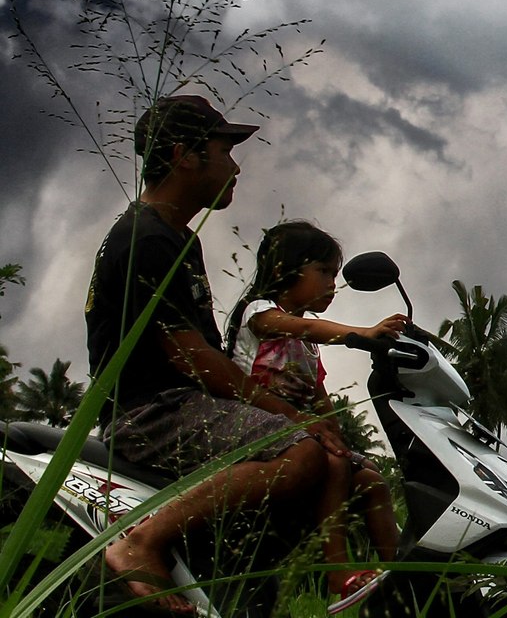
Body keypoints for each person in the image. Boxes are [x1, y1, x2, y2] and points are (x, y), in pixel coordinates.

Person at [85, 95, 354, 614]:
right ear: (186, 155)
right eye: (224, 150)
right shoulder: (146, 238)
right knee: (300, 452)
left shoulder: (176, 237)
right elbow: (193, 358)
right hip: (152, 412)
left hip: (182, 407)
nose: (235, 165)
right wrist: (289, 414)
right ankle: (139, 543)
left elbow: (208, 351)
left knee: (342, 469)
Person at [225, 220, 406, 596]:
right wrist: (360, 334)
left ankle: (404, 580)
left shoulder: (307, 343)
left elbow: (318, 394)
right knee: (335, 461)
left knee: (372, 480)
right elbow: (301, 328)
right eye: (323, 271)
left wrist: (337, 433)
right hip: (252, 425)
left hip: (299, 432)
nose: (332, 284)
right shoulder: (260, 313)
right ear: (284, 269)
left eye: (335, 274)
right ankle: (337, 572)